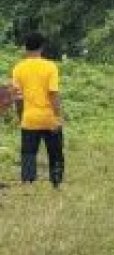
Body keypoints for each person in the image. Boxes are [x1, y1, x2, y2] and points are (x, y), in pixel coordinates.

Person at [11, 32, 65, 187]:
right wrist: (57, 116)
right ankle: (56, 181)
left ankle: (28, 182)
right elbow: (53, 94)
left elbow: (18, 98)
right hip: (49, 118)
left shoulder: (18, 68)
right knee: (55, 152)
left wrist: (21, 116)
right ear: (42, 47)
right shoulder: (50, 67)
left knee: (28, 153)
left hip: (30, 119)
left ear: (25, 48)